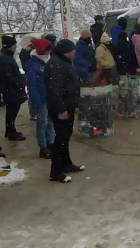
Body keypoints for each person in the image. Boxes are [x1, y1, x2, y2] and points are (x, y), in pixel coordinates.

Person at [44, 39, 85, 183]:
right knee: (60, 139)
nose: (74, 51)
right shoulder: (55, 64)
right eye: (72, 49)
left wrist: (75, 105)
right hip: (61, 108)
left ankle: (66, 163)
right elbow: (54, 90)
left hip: (68, 105)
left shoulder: (63, 62)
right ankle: (55, 172)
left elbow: (71, 85)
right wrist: (61, 109)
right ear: (65, 51)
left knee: (65, 136)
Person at [25, 38, 54, 159]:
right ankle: (43, 147)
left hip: (51, 97)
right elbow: (32, 85)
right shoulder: (33, 64)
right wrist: (36, 101)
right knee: (42, 122)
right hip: (41, 98)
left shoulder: (49, 60)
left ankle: (50, 142)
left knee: (50, 121)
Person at [0, 35, 28, 142]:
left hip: (10, 89)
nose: (16, 47)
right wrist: (21, 82)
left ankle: (11, 130)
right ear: (9, 46)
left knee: (12, 112)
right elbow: (9, 76)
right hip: (11, 90)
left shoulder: (5, 57)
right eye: (14, 45)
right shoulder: (5, 59)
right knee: (12, 112)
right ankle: (11, 131)